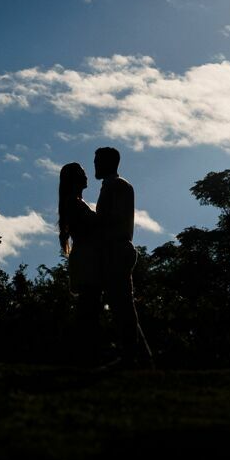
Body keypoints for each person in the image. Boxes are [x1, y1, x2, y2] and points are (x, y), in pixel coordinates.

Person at [94, 146, 152, 366]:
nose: (95, 166)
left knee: (123, 306)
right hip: (115, 249)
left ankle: (132, 357)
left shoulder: (117, 186)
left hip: (117, 249)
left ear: (109, 162)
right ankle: (140, 357)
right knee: (121, 305)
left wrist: (92, 221)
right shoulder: (113, 185)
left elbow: (112, 219)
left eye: (98, 161)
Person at [57, 162, 103, 361]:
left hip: (85, 256)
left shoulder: (73, 202)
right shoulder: (74, 203)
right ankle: (85, 353)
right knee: (89, 306)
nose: (86, 177)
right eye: (82, 174)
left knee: (89, 305)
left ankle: (85, 351)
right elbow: (93, 227)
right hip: (86, 258)